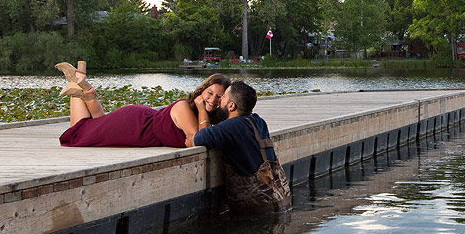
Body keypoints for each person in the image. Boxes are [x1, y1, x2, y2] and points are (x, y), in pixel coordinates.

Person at [56, 61, 231, 148]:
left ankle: (84, 88)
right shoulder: (184, 107)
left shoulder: (213, 117)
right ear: (202, 91)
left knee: (97, 126)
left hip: (139, 127)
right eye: (210, 93)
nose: (213, 99)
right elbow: (199, 141)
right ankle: (79, 85)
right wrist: (201, 108)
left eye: (219, 96)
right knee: (80, 134)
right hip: (136, 126)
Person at [187, 80, 290, 213]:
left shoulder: (229, 127)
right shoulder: (258, 121)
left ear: (231, 106)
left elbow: (196, 139)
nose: (219, 102)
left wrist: (201, 109)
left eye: (223, 97)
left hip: (257, 209)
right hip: (281, 200)